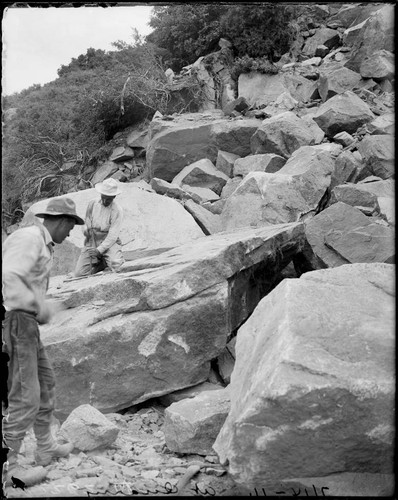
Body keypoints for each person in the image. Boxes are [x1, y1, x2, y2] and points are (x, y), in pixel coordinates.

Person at [2, 197, 85, 486]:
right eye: (72, 227)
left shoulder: (42, 241)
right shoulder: (29, 238)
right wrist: (40, 306)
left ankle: (45, 446)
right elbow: (10, 275)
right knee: (25, 395)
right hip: (16, 321)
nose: (71, 233)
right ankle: (7, 465)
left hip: (27, 324)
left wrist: (39, 306)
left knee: (46, 383)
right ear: (62, 221)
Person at [74, 178, 124, 277]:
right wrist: (86, 230)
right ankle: (101, 264)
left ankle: (106, 259)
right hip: (93, 240)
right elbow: (87, 220)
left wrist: (99, 250)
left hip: (109, 242)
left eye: (108, 198)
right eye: (103, 197)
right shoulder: (92, 203)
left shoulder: (117, 210)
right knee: (80, 273)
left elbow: (113, 236)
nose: (105, 200)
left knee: (117, 267)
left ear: (114, 196)